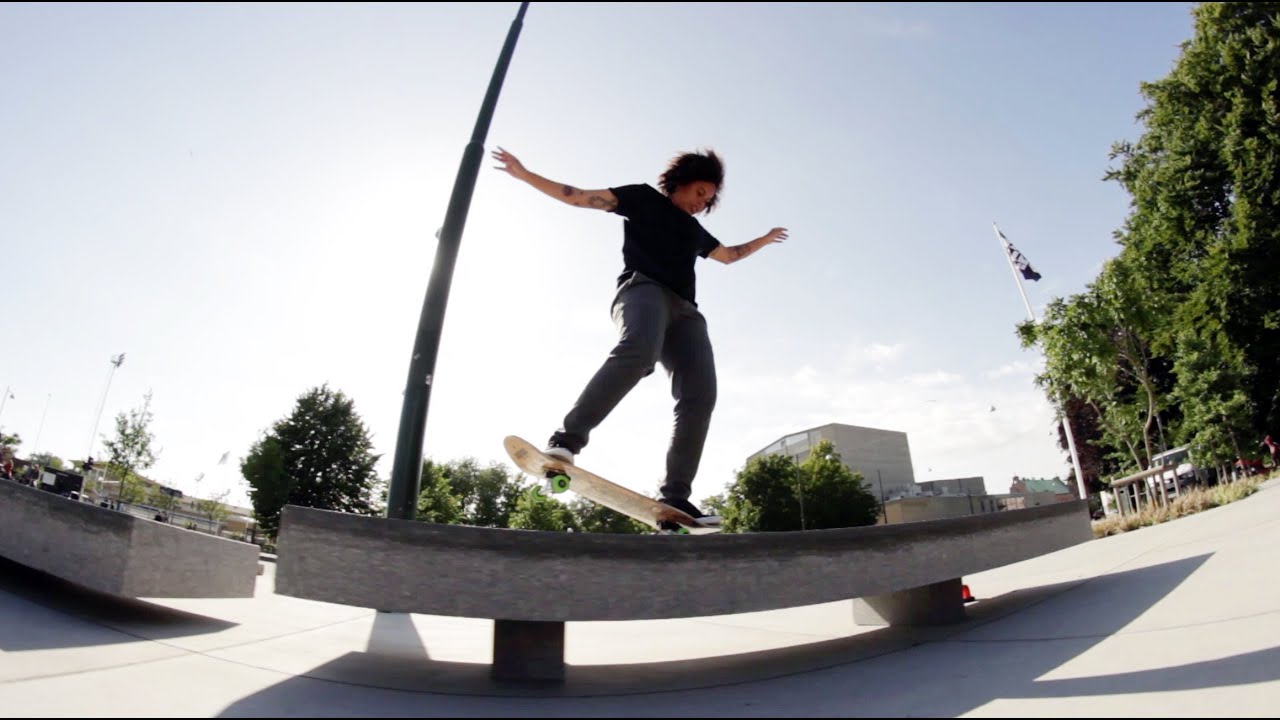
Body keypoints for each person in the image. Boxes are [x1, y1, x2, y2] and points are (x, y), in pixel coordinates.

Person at [492, 145, 788, 531]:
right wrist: (526, 174)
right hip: (642, 290)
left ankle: (676, 498)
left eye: (709, 200)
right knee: (639, 352)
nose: (702, 204)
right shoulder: (643, 198)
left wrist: (764, 239)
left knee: (700, 395)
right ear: (681, 183)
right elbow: (578, 196)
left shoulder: (695, 231)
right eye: (700, 193)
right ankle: (566, 441)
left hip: (686, 312)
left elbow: (729, 256)